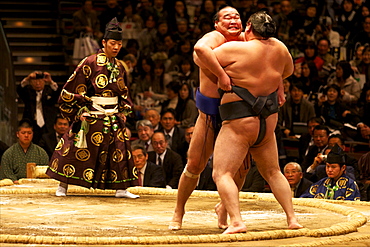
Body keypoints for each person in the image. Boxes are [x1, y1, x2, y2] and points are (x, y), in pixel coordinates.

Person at [211, 11, 302, 234]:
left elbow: (201, 55)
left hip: (240, 122)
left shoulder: (236, 49)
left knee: (221, 173)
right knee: (273, 171)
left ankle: (237, 221)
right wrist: (274, 80)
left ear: (249, 26)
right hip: (267, 122)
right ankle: (292, 218)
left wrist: (222, 73)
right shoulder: (280, 48)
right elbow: (288, 70)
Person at [169, 6, 249, 231]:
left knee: (240, 169)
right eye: (227, 17)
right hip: (210, 114)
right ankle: (179, 210)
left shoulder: (248, 41)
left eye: (237, 16)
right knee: (194, 165)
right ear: (217, 24)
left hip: (238, 116)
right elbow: (199, 50)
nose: (233, 20)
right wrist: (222, 74)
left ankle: (224, 207)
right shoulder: (215, 37)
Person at [45, 18, 139, 199]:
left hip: (113, 115)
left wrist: (123, 110)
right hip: (92, 114)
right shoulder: (89, 62)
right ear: (104, 43)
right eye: (113, 43)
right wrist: (80, 111)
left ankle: (121, 189)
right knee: (74, 148)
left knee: (119, 149)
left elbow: (125, 93)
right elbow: (71, 88)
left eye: (119, 44)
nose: (116, 47)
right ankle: (63, 185)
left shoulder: (120, 66)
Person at [17, 71, 60, 144]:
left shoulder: (49, 91)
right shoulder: (28, 92)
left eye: (40, 81)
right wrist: (27, 79)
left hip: (47, 124)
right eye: (35, 81)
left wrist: (50, 81)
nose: (37, 83)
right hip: (32, 123)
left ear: (44, 81)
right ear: (31, 83)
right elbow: (20, 89)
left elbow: (58, 93)